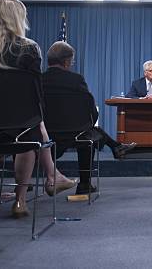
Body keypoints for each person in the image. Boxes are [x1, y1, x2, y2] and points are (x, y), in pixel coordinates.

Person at [0, 0, 75, 218]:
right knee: (32, 124)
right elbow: (34, 94)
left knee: (30, 123)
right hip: (17, 128)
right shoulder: (29, 48)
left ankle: (53, 176)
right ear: (16, 18)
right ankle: (22, 199)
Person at [42, 41, 136, 194]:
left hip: (43, 136)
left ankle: (22, 188)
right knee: (89, 136)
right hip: (73, 133)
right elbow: (90, 108)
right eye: (72, 60)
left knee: (89, 132)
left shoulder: (38, 80)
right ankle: (84, 184)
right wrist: (88, 123)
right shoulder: (76, 79)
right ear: (66, 61)